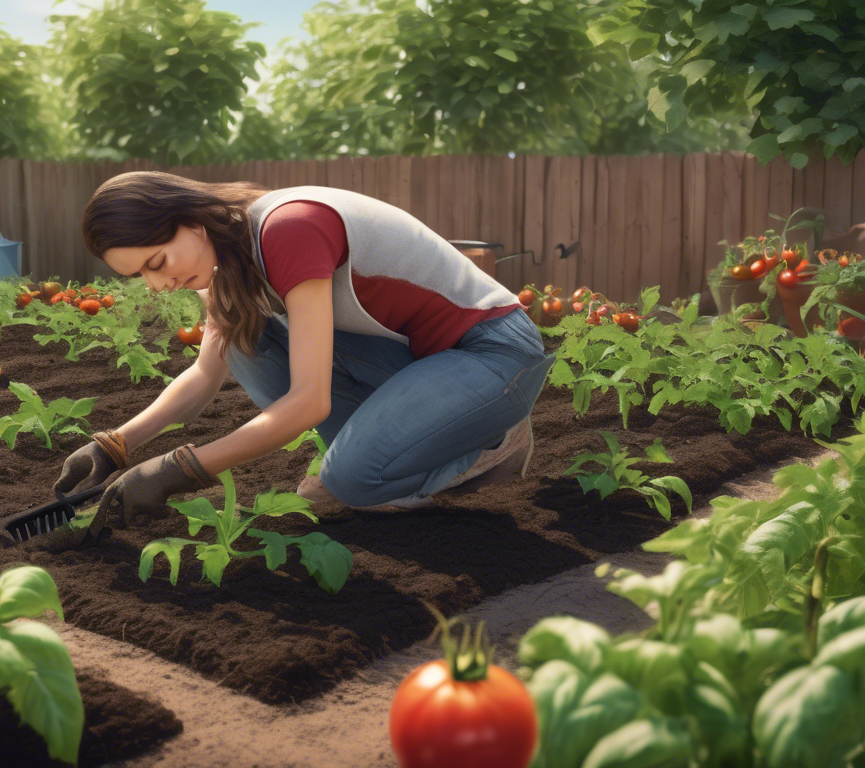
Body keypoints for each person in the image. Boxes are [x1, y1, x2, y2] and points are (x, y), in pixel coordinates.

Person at [53, 171, 555, 535]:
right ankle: (405, 448)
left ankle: (490, 443)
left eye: (157, 262)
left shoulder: (287, 228)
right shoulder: (226, 269)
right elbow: (205, 375)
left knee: (352, 480)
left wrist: (177, 470)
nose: (158, 283)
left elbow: (309, 402)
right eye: (141, 275)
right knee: (245, 342)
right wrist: (114, 445)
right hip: (417, 361)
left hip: (492, 354)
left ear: (190, 220)